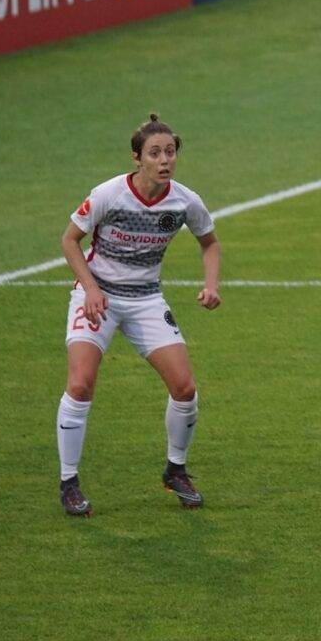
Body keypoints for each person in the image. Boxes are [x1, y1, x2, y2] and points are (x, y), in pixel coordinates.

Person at [57, 114, 221, 516]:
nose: (165, 160)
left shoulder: (184, 200)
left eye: (170, 152)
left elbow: (210, 243)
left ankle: (175, 470)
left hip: (146, 299)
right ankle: (69, 481)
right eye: (155, 153)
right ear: (137, 158)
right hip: (97, 297)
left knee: (184, 388)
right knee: (80, 384)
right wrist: (91, 289)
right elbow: (70, 240)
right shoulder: (109, 194)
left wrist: (211, 284)